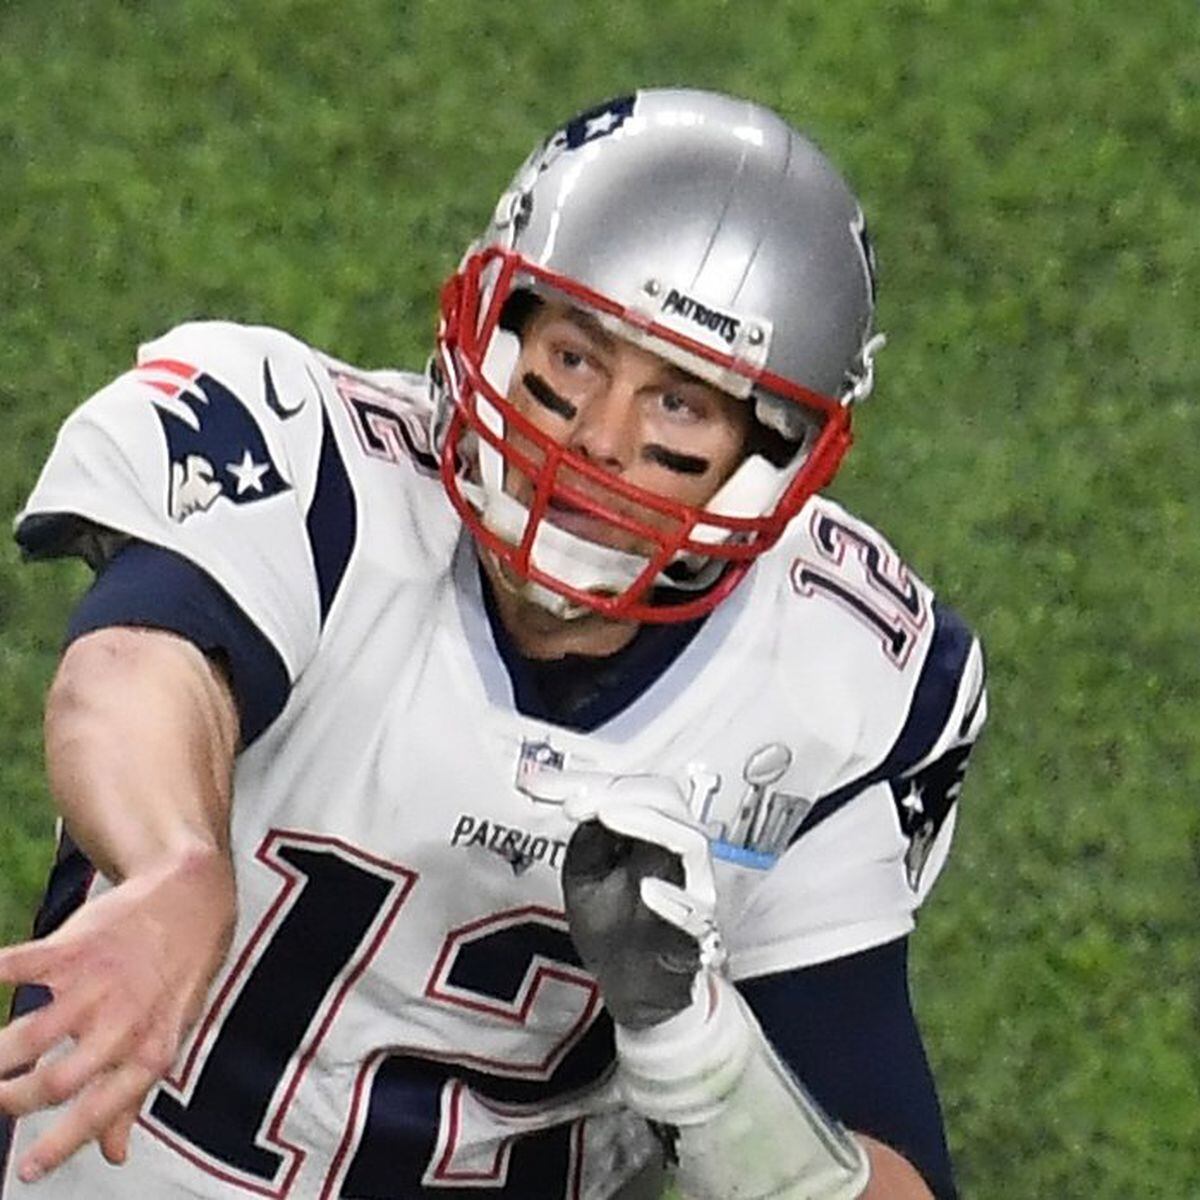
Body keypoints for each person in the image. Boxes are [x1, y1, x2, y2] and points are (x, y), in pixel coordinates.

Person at [0, 88, 985, 1199]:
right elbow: (133, 669)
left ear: (772, 457)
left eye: (681, 406)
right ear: (499, 320)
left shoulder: (837, 676)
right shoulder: (320, 475)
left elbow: (892, 1175)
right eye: (575, 357)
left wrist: (703, 1061)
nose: (601, 438)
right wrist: (175, 857)